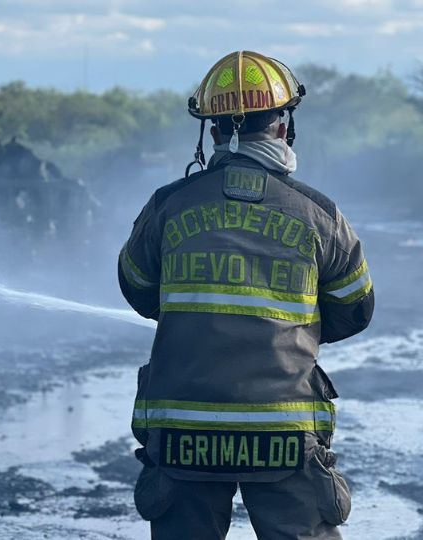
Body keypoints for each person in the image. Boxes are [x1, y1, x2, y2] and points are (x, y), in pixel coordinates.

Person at [118, 51, 373, 539]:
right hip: (284, 433)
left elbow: (137, 288)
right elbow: (356, 308)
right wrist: (289, 330)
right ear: (283, 126)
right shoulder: (319, 214)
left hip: (184, 432)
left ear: (212, 130)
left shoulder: (168, 206)